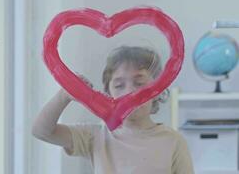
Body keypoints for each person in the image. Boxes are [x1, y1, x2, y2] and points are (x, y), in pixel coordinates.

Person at [32, 46, 194, 174]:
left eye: (139, 83)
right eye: (119, 85)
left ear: (158, 90)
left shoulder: (173, 141)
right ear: (108, 94)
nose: (129, 92)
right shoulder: (94, 136)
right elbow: (41, 131)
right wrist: (64, 95)